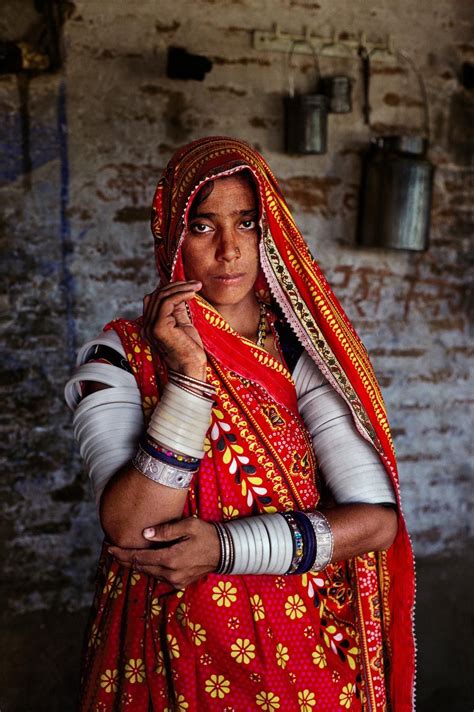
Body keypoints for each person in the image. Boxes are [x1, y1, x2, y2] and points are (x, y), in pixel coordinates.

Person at [65, 136, 415, 711]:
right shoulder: (117, 356)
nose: (229, 249)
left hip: (304, 658)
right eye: (203, 227)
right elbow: (131, 527)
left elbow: (376, 523)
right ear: (172, 235)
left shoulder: (304, 354)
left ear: (269, 229)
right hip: (168, 659)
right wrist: (189, 378)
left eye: (246, 223)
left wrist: (226, 548)